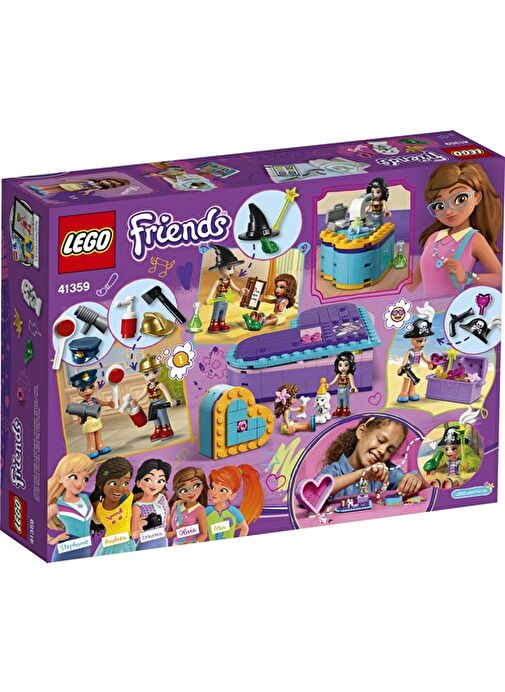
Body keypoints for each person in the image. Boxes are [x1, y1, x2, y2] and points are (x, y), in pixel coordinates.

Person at [409, 163, 502, 298]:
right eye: (440, 205)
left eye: (460, 199)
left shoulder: (474, 238)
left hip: (454, 308)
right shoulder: (433, 238)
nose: (449, 211)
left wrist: (466, 277)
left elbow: (499, 277)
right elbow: (412, 284)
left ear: (477, 197)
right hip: (426, 307)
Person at [317, 417, 423, 500]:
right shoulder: (334, 471)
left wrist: (415, 479)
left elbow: (422, 485)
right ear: (361, 432)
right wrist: (361, 474)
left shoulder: (387, 472)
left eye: (390, 450)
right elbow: (315, 492)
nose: (382, 451)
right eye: (381, 440)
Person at [47, 453, 97, 562]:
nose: (80, 483)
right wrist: (51, 540)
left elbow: (97, 520)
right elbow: (37, 524)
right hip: (66, 550)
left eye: (85, 479)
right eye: (74, 477)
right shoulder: (57, 505)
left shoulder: (85, 498)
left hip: (85, 549)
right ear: (60, 478)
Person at [90, 457, 136, 556]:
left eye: (125, 483)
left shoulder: (128, 495)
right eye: (113, 483)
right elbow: (94, 519)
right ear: (101, 483)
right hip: (108, 546)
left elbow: (136, 498)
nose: (119, 489)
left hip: (128, 544)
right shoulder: (96, 505)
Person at [206, 464, 264, 540]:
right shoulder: (207, 511)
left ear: (232, 496)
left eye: (223, 490)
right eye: (212, 487)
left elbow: (245, 528)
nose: (214, 493)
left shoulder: (234, 512)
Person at [69, 369, 114, 459]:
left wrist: (109, 403)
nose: (88, 391)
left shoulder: (95, 400)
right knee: (90, 435)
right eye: (83, 389)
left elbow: (102, 403)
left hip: (96, 420)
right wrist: (79, 420)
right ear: (78, 391)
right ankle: (91, 448)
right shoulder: (82, 404)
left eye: (90, 387)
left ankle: (100, 445)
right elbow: (80, 413)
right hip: (88, 422)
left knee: (98, 433)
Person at [205, 244, 246, 332]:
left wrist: (240, 291)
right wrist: (209, 297)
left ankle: (221, 323)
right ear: (220, 268)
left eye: (233, 268)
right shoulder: (218, 282)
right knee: (216, 311)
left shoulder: (229, 281)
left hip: (226, 300)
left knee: (223, 311)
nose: (232, 271)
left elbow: (235, 288)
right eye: (229, 268)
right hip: (219, 299)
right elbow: (213, 290)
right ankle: (213, 324)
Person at [131, 459, 172, 550]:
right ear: (138, 483)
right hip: (146, 544)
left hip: (162, 541)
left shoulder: (162, 498)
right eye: (148, 479)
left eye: (160, 481)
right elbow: (134, 535)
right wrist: (140, 528)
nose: (154, 485)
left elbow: (168, 517)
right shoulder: (138, 506)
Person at [168, 467, 208, 545]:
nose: (190, 492)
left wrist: (194, 543)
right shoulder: (176, 505)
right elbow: (168, 533)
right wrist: (175, 532)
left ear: (202, 485)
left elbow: (204, 535)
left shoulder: (200, 509)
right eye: (183, 490)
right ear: (178, 494)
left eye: (196, 485)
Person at [325, 351, 358, 417]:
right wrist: (329, 384)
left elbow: (352, 383)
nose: (343, 368)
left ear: (350, 365)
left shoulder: (349, 375)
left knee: (345, 399)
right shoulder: (339, 375)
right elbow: (334, 380)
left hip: (346, 388)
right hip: (339, 389)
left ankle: (346, 410)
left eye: (346, 365)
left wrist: (353, 387)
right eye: (340, 365)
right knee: (339, 399)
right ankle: (339, 409)